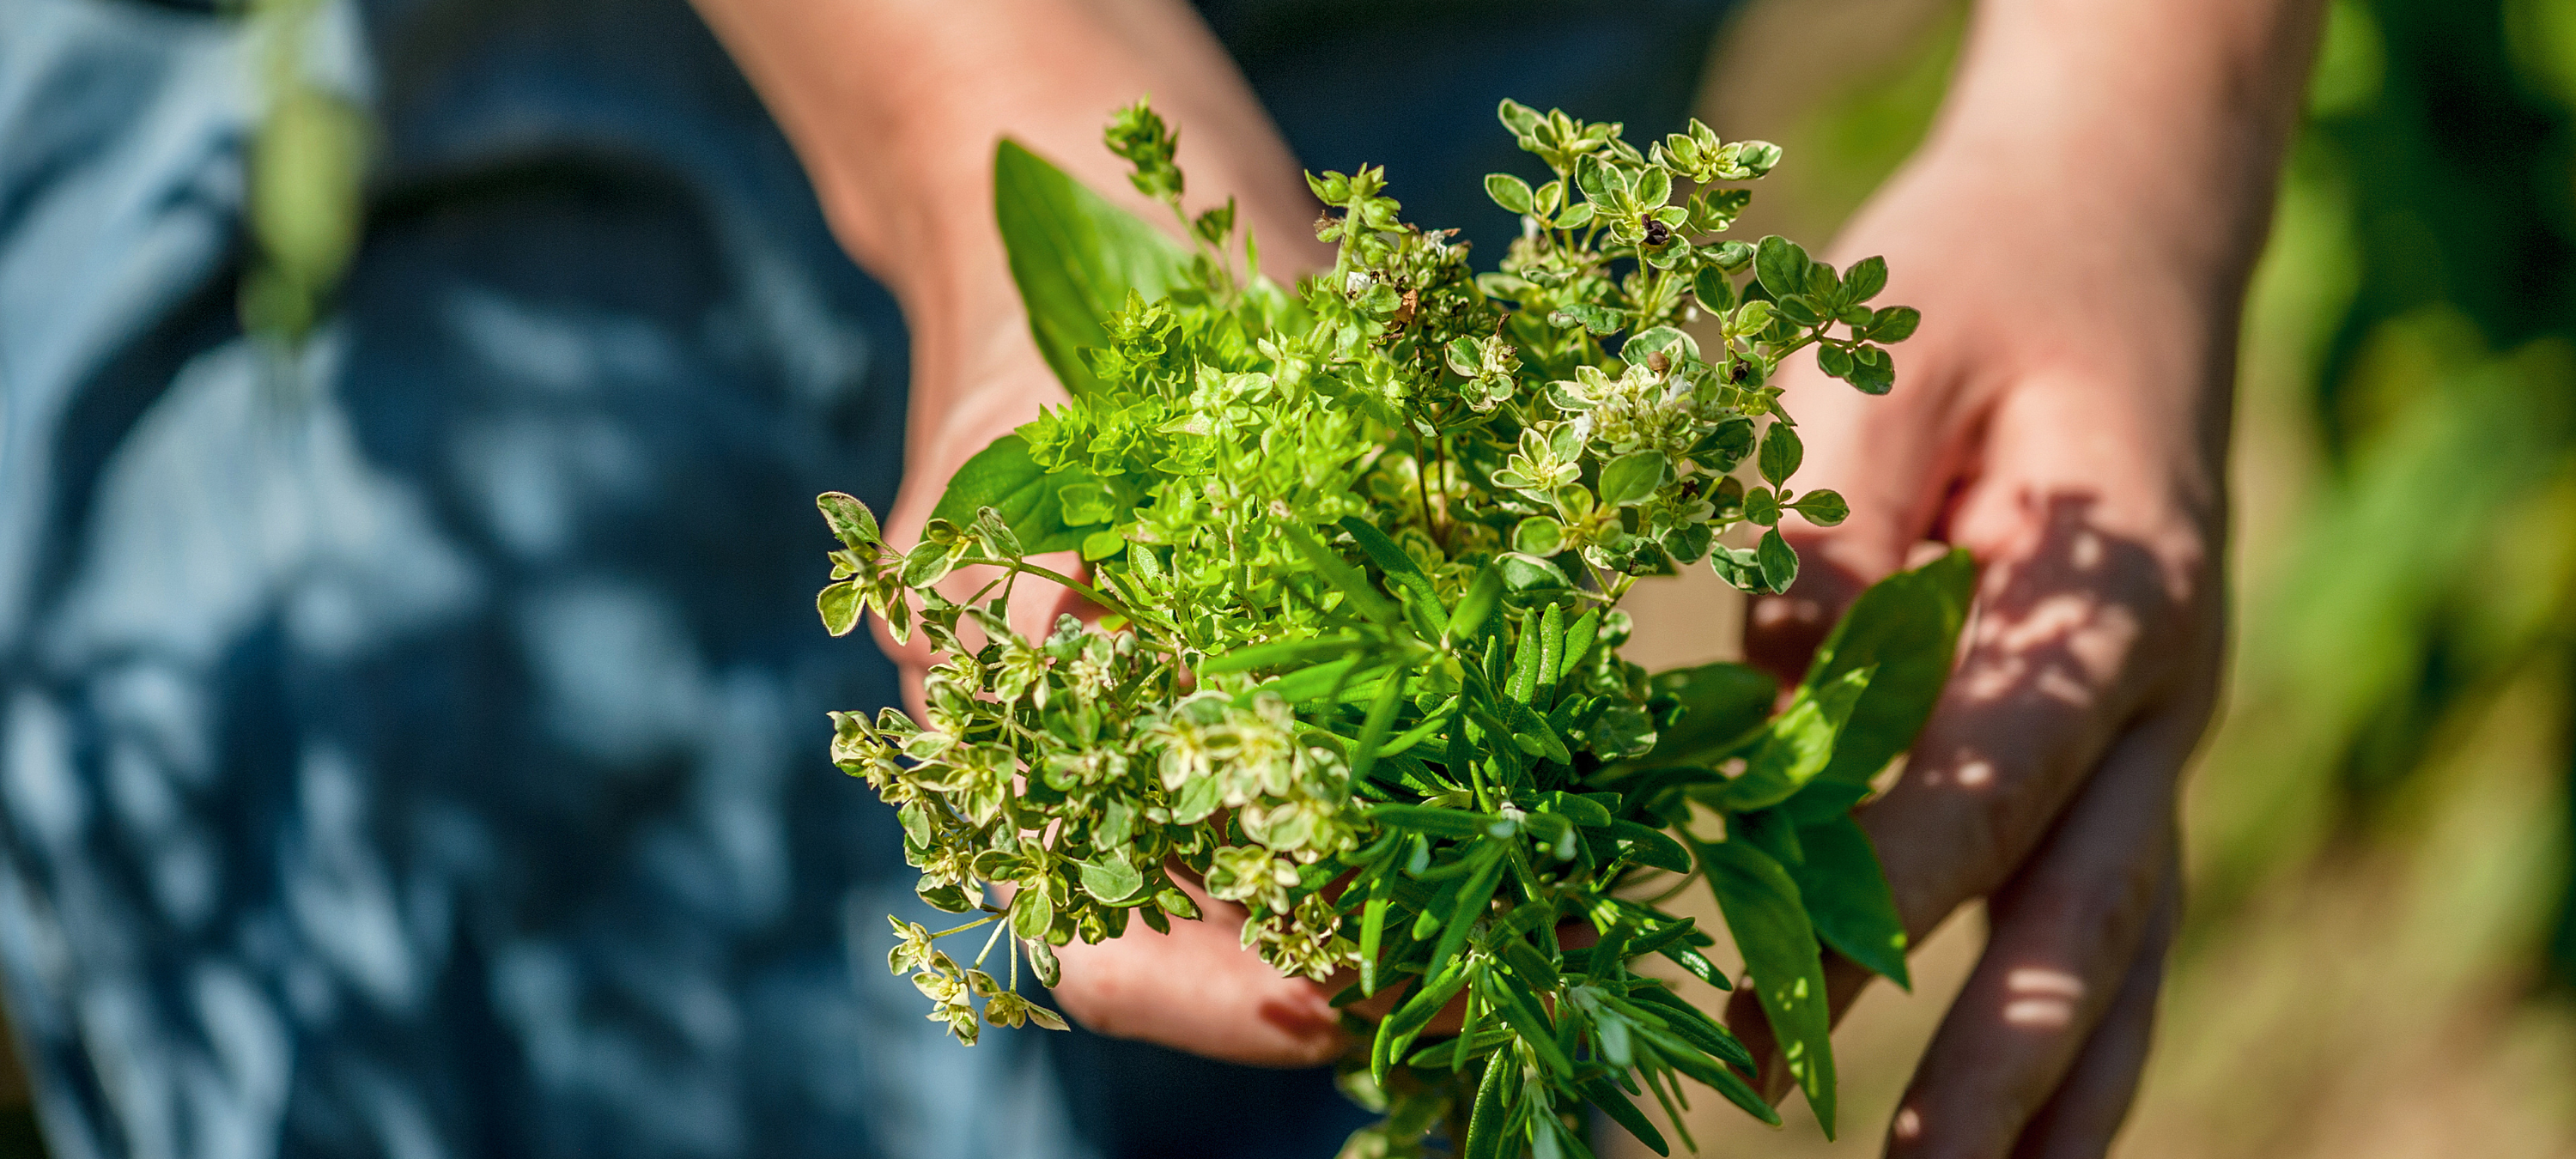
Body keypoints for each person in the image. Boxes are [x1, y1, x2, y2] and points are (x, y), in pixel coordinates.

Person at [0, 2, 2320, 1159]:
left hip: (1421, 63)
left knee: (1290, 948)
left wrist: (2129, 129)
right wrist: (976, 92)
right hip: (476, 210)